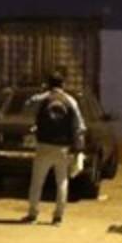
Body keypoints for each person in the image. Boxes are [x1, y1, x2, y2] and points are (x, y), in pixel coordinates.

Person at [23, 72, 85, 225]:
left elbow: (26, 107)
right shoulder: (70, 101)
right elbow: (79, 126)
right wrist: (78, 148)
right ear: (63, 84)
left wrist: (42, 92)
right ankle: (58, 216)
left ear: (48, 84)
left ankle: (33, 214)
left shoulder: (42, 98)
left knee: (37, 182)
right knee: (62, 181)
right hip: (63, 148)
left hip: (44, 145)